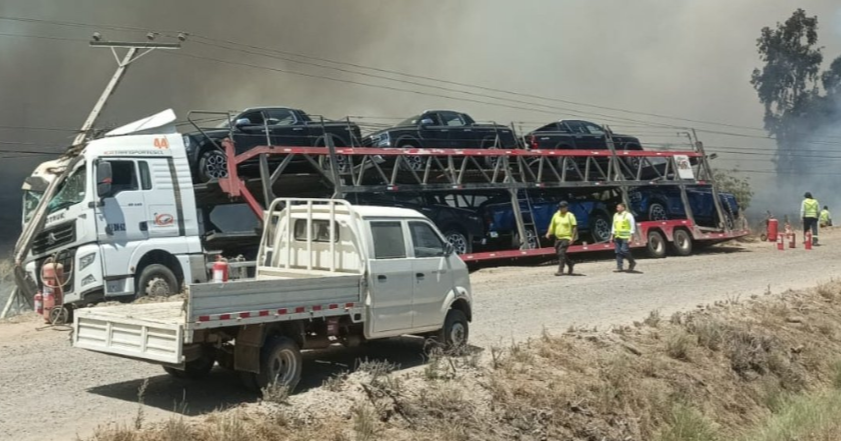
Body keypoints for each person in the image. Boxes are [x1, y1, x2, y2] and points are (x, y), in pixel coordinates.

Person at [545, 201, 577, 276]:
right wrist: (549, 232)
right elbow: (552, 224)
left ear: (566, 207)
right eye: (560, 207)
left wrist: (572, 238)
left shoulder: (570, 215)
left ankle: (560, 270)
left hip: (566, 237)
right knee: (559, 253)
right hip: (558, 237)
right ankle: (570, 263)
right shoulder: (556, 215)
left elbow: (574, 227)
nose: (561, 209)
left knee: (561, 252)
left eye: (562, 207)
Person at [610, 203, 637, 273]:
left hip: (626, 236)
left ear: (623, 208)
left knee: (624, 250)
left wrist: (631, 237)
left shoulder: (628, 215)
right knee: (618, 252)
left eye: (618, 207)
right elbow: (614, 225)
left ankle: (632, 262)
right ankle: (619, 267)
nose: (617, 209)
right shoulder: (615, 215)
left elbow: (632, 226)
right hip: (617, 236)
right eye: (617, 207)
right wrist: (611, 235)